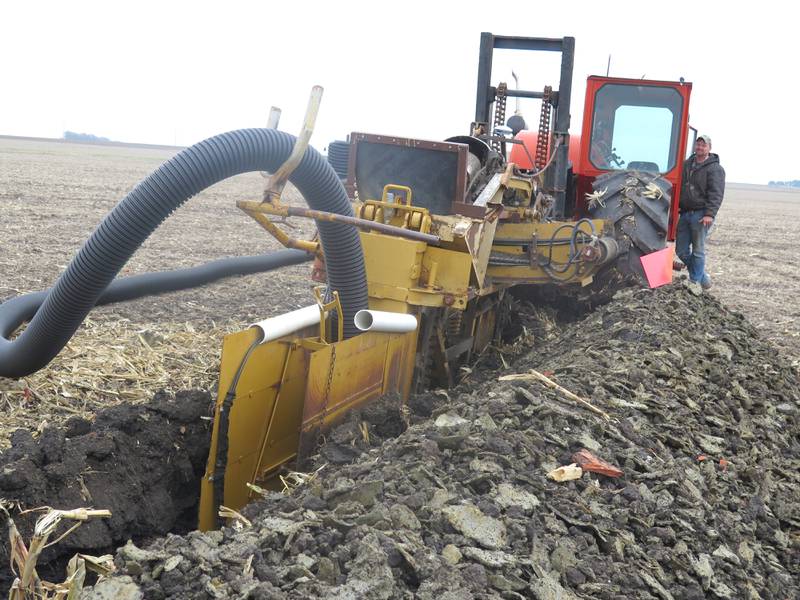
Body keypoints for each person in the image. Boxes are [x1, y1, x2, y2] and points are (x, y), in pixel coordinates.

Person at [676, 134, 725, 289]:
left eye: (703, 145)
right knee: (681, 250)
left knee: (698, 249)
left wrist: (709, 214)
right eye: (698, 145)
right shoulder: (687, 164)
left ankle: (695, 282)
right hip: (685, 213)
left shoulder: (715, 169)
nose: (700, 148)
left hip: (701, 213)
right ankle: (703, 277)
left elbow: (716, 193)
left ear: (709, 148)